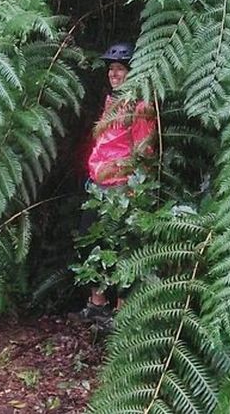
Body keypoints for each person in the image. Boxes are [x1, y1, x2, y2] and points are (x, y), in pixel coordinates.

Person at [72, 42, 156, 324]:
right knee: (91, 240)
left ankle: (121, 310)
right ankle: (97, 303)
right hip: (99, 182)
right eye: (111, 69)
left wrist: (135, 185)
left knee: (122, 246)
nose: (114, 74)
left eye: (120, 69)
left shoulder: (140, 107)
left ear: (132, 73)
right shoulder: (110, 101)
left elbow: (145, 148)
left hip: (122, 185)